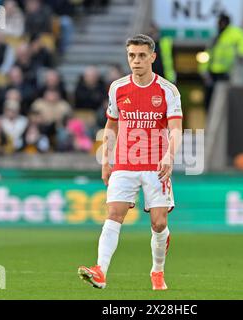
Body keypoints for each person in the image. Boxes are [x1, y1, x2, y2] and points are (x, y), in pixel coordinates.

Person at [78, 34, 183, 291]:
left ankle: (157, 271)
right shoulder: (118, 88)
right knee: (114, 215)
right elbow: (111, 125)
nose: (136, 61)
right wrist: (106, 159)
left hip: (156, 166)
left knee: (159, 223)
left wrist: (170, 155)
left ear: (152, 57)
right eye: (131, 56)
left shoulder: (168, 91)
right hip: (124, 164)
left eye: (141, 56)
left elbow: (176, 129)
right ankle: (100, 270)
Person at [199, 13, 243, 111]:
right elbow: (208, 54)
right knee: (209, 98)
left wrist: (242, 54)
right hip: (213, 72)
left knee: (222, 98)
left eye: (221, 23)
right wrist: (203, 70)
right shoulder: (216, 36)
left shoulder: (235, 33)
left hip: (226, 71)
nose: (219, 25)